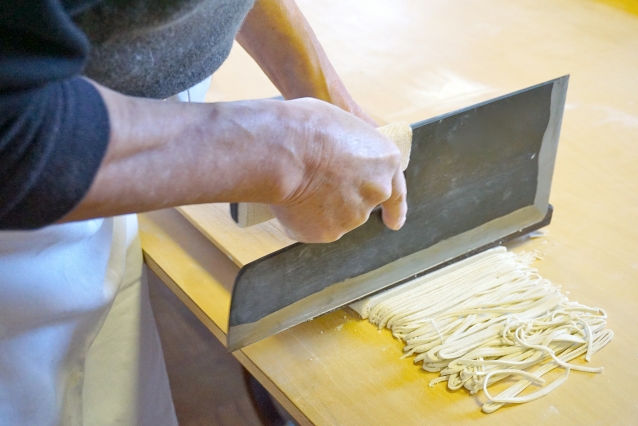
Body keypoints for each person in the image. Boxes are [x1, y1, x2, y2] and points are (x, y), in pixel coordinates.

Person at [0, 0, 407, 424]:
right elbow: (10, 127)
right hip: (26, 211)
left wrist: (320, 91)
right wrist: (291, 156)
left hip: (107, 144)